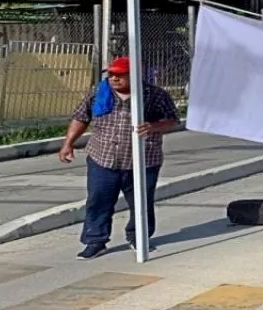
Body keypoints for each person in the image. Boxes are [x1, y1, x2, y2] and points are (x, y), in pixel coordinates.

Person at [59, 56, 180, 260]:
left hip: (143, 160)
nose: (114, 78)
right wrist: (68, 143)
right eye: (112, 74)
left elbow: (172, 120)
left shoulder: (154, 95)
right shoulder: (99, 92)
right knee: (98, 200)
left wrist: (154, 126)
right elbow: (81, 117)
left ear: (134, 75)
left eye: (120, 75)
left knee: (141, 202)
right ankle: (95, 241)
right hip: (103, 157)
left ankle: (139, 238)